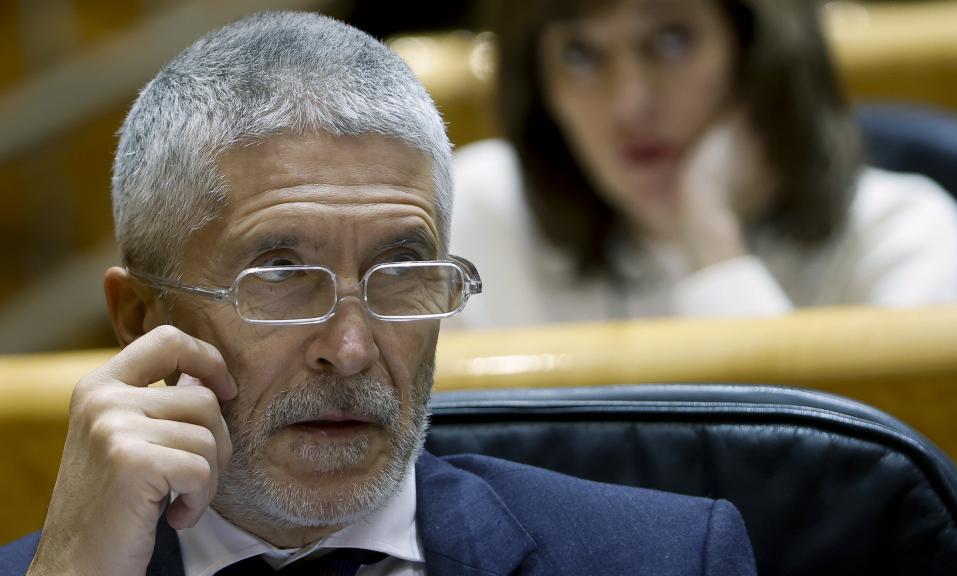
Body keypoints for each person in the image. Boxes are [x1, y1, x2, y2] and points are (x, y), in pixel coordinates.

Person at [0, 11, 757, 576]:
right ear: (140, 319)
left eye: (401, 273)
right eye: (283, 279)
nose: (353, 349)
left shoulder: (669, 558)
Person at [448, 0, 957, 329]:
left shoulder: (900, 233)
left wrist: (713, 245)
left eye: (672, 40)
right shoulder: (479, 210)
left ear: (757, 56)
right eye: (581, 55)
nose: (631, 105)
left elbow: (836, 495)